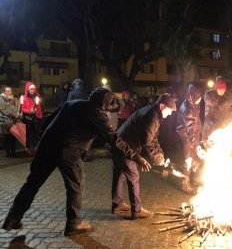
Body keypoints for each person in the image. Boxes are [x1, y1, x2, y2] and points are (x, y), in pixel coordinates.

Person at [1, 88, 150, 236]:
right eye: (111, 103)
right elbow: (115, 140)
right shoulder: (98, 115)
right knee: (76, 186)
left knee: (32, 183)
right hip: (69, 152)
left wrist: (40, 140)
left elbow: (48, 119)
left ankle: (12, 218)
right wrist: (137, 157)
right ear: (105, 103)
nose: (112, 107)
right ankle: (74, 223)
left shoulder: (73, 103)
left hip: (47, 146)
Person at [110, 93, 176, 219]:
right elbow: (147, 141)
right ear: (162, 106)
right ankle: (137, 210)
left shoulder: (152, 113)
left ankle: (117, 204)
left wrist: (160, 154)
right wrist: (157, 158)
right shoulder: (151, 116)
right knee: (133, 176)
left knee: (120, 174)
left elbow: (153, 137)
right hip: (123, 147)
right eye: (169, 110)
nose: (171, 114)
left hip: (119, 145)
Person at [176, 84, 203, 193]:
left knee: (196, 157)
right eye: (199, 97)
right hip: (188, 137)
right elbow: (190, 124)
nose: (200, 100)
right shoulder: (187, 107)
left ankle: (196, 178)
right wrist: (192, 140)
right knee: (188, 159)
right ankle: (185, 184)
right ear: (193, 95)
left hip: (193, 137)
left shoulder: (192, 105)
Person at [202, 76, 232, 141]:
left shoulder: (227, 96)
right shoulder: (210, 95)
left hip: (223, 125)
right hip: (210, 125)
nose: (222, 91)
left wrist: (225, 101)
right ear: (216, 88)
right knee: (208, 142)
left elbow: (230, 104)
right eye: (220, 89)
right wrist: (216, 102)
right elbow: (208, 101)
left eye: (223, 90)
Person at [21, 82, 42, 156]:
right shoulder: (24, 97)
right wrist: (30, 111)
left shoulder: (37, 97)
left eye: (34, 89)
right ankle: (28, 148)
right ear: (27, 89)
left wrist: (39, 115)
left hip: (36, 118)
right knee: (29, 134)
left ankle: (34, 148)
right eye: (31, 89)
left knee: (36, 133)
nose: (32, 90)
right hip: (27, 119)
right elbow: (22, 108)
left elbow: (39, 108)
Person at [0, 87, 21, 157]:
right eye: (7, 91)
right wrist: (14, 115)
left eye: (10, 91)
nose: (9, 92)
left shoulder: (14, 99)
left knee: (13, 137)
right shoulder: (1, 99)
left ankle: (13, 151)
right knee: (7, 137)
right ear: (4, 92)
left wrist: (19, 114)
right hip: (6, 120)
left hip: (14, 120)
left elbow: (18, 107)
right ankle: (8, 152)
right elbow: (4, 110)